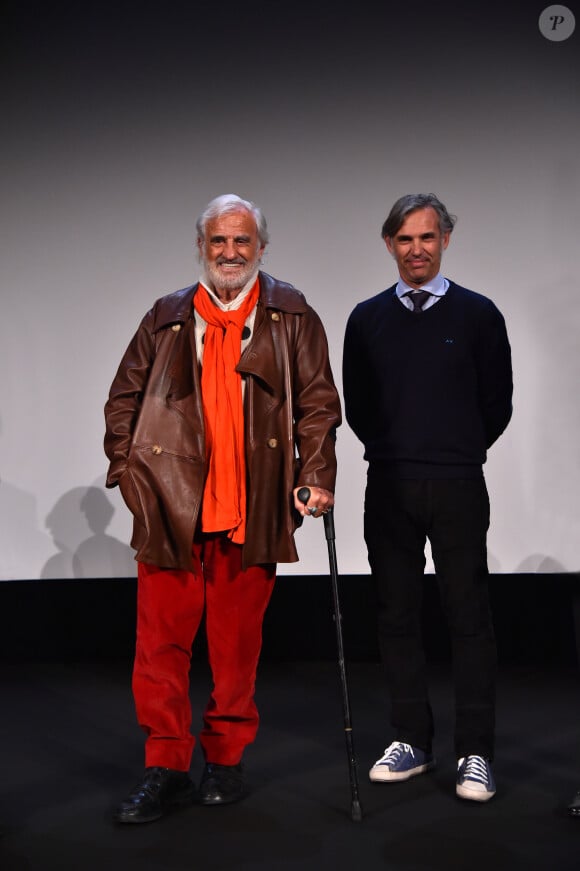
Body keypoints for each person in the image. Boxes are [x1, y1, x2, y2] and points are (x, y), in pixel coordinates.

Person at [104, 193, 341, 823]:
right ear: (202, 247)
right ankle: (165, 766)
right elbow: (123, 400)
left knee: (235, 648)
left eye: (241, 241)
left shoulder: (291, 315)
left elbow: (318, 401)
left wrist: (316, 473)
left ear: (261, 248)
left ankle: (226, 762)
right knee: (160, 649)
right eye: (217, 241)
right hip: (170, 507)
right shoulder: (167, 316)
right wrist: (131, 476)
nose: (229, 253)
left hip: (252, 503)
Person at [342, 193, 513, 803]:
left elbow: (497, 405)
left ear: (445, 242)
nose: (417, 249)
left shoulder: (478, 314)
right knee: (395, 614)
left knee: (469, 617)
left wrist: (455, 450)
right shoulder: (366, 318)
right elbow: (357, 406)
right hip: (388, 484)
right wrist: (397, 450)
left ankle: (476, 752)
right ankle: (412, 738)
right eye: (405, 238)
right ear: (389, 244)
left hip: (459, 483)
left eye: (429, 237)